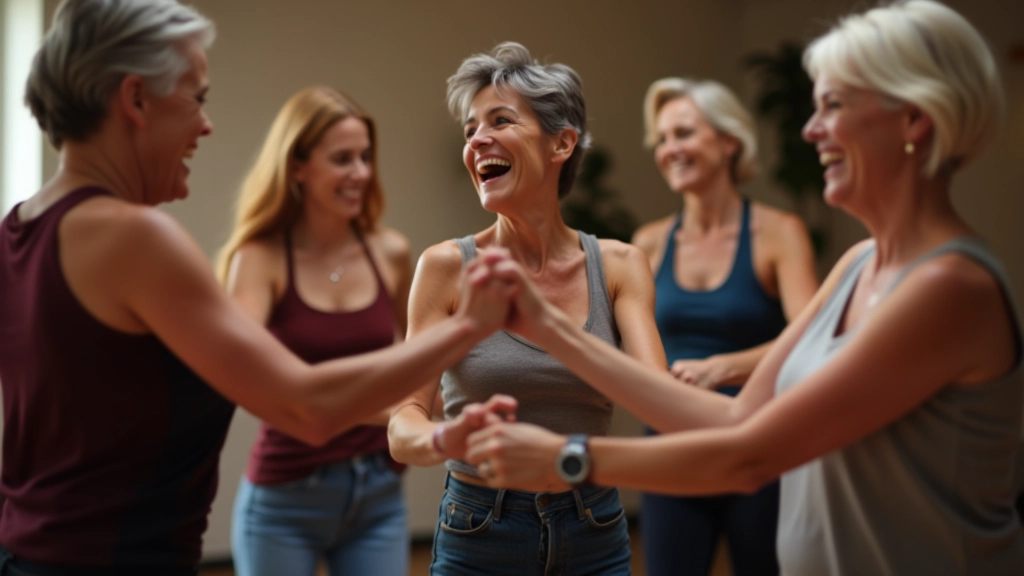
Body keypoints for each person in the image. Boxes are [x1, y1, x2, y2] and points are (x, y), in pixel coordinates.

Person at [464, 2, 1024, 575]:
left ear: (914, 119)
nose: (810, 129)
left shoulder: (949, 285)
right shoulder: (858, 264)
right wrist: (544, 328)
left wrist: (566, 458)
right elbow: (733, 420)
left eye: (832, 105)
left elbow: (750, 456)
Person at [0, 1, 513, 573]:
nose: (206, 123)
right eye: (196, 98)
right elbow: (304, 406)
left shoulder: (17, 229)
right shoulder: (136, 237)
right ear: (135, 99)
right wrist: (469, 324)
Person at [387, 42, 666, 576]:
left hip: (596, 525)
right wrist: (447, 436)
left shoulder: (620, 265)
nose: (477, 141)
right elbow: (404, 427)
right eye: (470, 130)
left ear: (562, 143)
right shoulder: (445, 266)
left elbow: (663, 405)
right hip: (479, 529)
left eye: (500, 120)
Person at [216, 87, 412, 575]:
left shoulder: (391, 252)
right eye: (342, 159)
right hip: (285, 498)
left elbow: (420, 368)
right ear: (297, 166)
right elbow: (248, 383)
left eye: (366, 157)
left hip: (379, 494)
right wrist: (379, 411)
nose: (361, 173)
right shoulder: (259, 259)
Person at [630, 77, 817, 576]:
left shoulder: (779, 233)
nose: (670, 149)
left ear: (729, 142)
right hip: (671, 446)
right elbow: (627, 347)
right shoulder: (647, 244)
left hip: (758, 442)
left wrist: (722, 369)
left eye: (684, 133)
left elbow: (810, 336)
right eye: (663, 139)